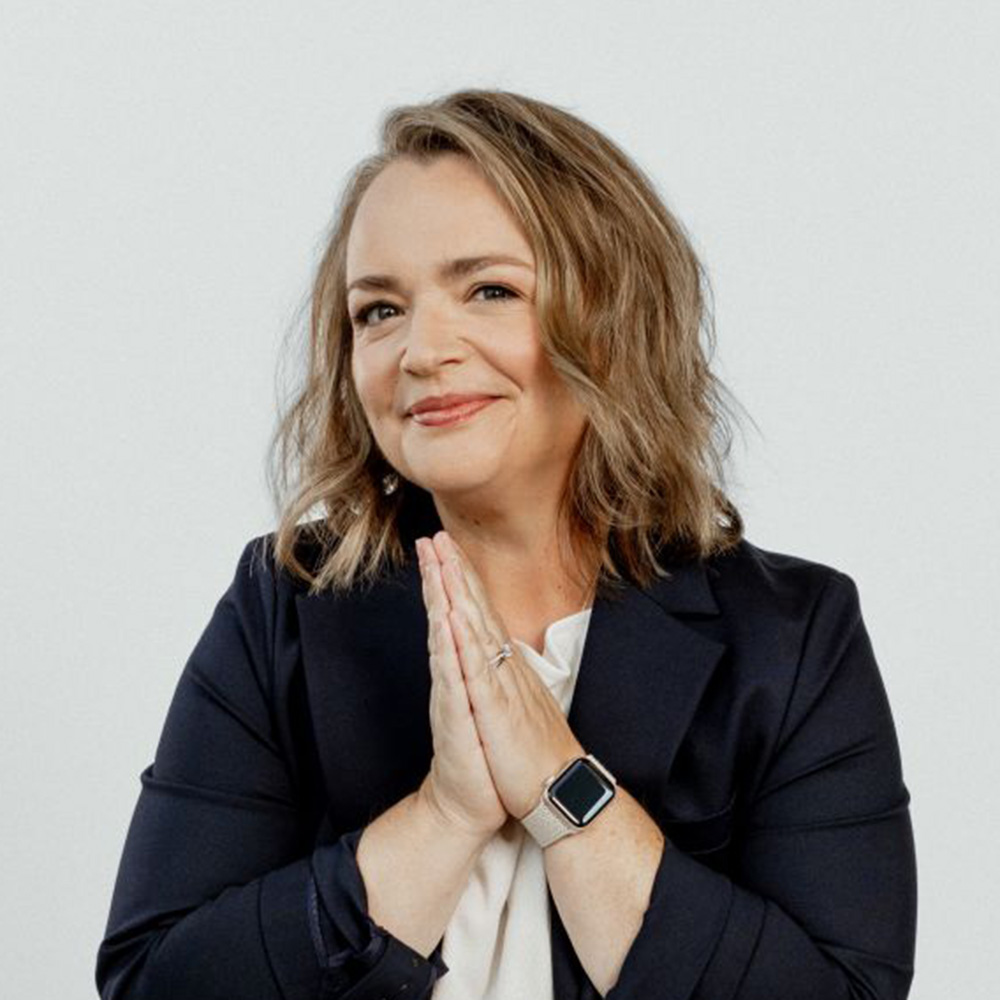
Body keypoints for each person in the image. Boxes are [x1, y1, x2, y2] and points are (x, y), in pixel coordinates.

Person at [95, 89, 917, 1000]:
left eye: (488, 290)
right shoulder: (283, 605)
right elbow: (151, 984)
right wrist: (445, 815)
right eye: (378, 311)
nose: (419, 350)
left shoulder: (794, 635)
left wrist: (564, 791)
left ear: (609, 324)